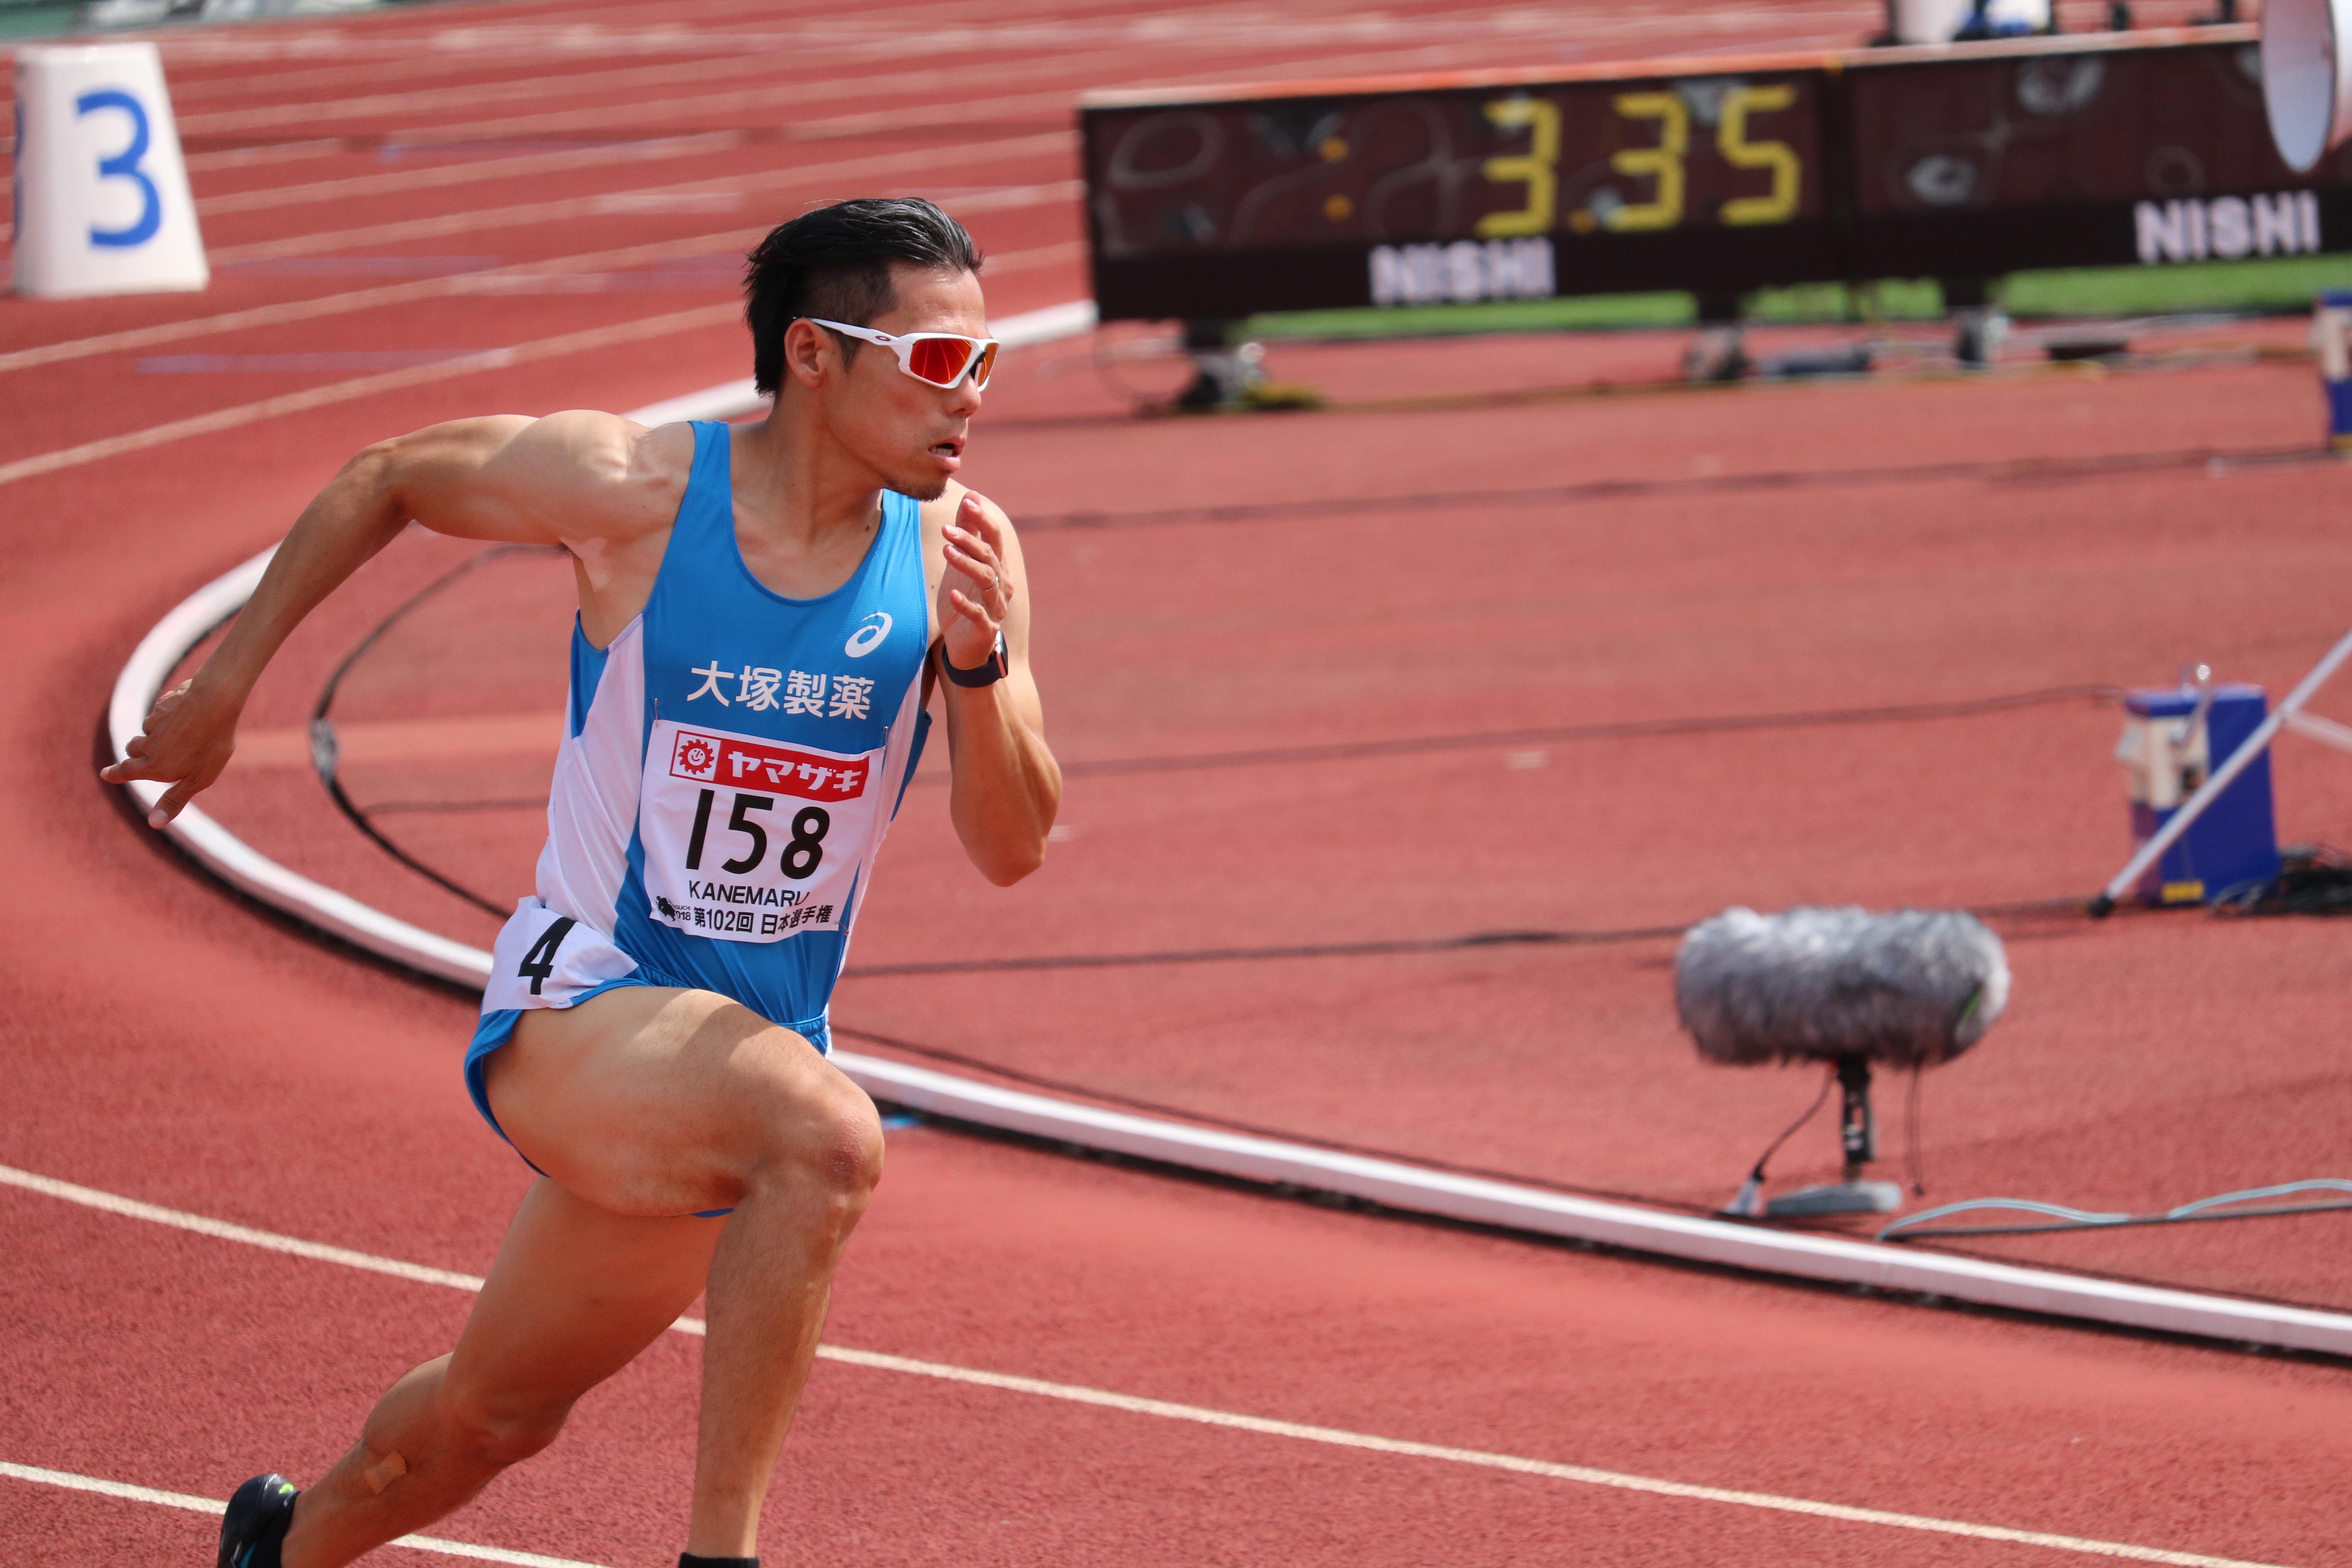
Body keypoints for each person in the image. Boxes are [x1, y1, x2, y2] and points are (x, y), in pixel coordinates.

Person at [102, 197, 1060, 1568]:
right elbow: (390, 474)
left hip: (745, 1046)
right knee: (830, 1143)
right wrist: (224, 687)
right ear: (811, 355)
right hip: (588, 1000)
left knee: (488, 1421)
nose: (969, 396)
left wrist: (976, 665)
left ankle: (280, 1547)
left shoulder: (964, 551)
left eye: (985, 362)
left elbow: (1014, 847)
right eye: (937, 361)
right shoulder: (640, 492)